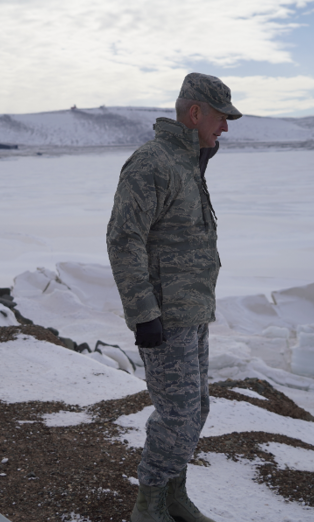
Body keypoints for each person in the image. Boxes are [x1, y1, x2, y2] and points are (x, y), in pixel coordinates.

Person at [106, 73, 242, 522]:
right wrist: (144, 314)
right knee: (178, 414)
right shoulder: (153, 163)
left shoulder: (187, 163)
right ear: (196, 112)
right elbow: (124, 240)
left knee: (195, 409)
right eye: (221, 118)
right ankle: (149, 506)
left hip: (191, 311)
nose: (225, 128)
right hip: (164, 316)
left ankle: (173, 495)